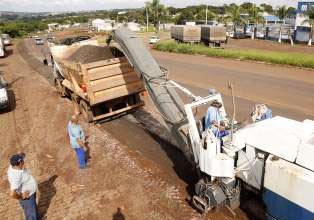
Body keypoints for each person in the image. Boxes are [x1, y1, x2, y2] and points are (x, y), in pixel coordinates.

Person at [7, 153, 39, 220]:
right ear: (20, 162)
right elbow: (12, 194)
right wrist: (21, 197)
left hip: (30, 195)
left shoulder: (13, 166)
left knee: (33, 211)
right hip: (27, 198)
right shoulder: (17, 176)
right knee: (31, 216)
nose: (24, 161)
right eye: (22, 160)